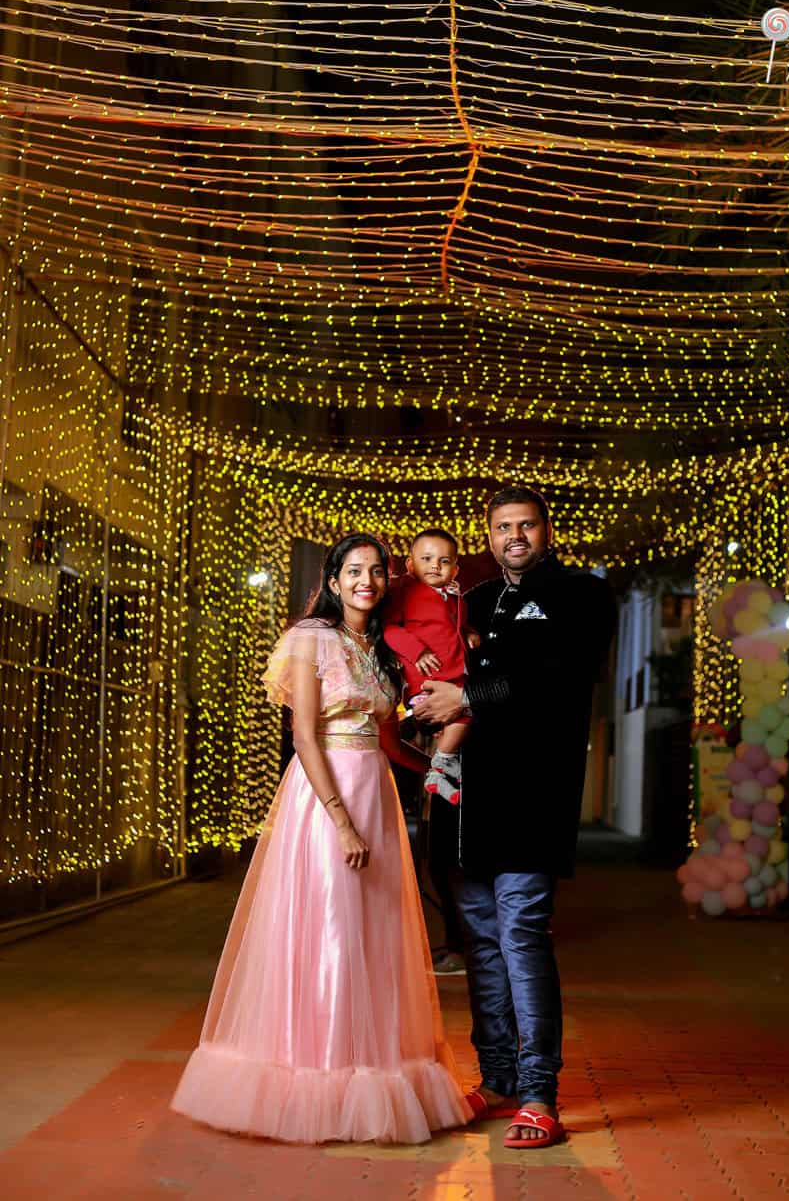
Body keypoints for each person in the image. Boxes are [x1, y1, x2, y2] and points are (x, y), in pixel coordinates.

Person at [171, 534, 471, 1145]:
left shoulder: (382, 647)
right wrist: (338, 817)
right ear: (333, 581)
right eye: (353, 571)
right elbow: (304, 734)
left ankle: (374, 1073)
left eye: (376, 572)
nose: (367, 580)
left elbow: (390, 725)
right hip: (325, 796)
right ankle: (319, 1077)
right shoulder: (311, 638)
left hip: (378, 794)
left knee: (375, 928)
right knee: (330, 926)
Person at [414, 487, 616, 1149]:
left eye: (526, 525)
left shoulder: (581, 596)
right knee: (479, 940)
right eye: (503, 527)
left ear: (546, 530)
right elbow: (421, 651)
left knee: (522, 933)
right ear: (490, 535)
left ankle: (539, 1093)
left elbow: (558, 677)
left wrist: (469, 693)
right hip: (466, 807)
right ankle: (497, 1077)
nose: (515, 535)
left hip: (531, 798)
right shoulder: (469, 601)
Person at [382, 528, 479, 806]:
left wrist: (470, 632)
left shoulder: (455, 597)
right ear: (411, 565)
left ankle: (439, 771)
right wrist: (417, 651)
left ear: (456, 569)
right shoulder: (404, 590)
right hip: (426, 679)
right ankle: (442, 762)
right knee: (453, 714)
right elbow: (390, 629)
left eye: (444, 561)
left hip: (454, 678)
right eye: (426, 559)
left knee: (467, 713)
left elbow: (454, 628)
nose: (435, 565)